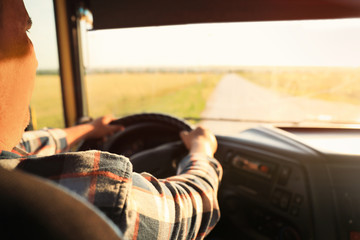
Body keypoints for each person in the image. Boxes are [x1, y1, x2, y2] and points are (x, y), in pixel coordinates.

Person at [0, 0, 223, 239]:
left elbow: (22, 144)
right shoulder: (94, 194)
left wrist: (87, 129)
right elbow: (191, 205)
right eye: (27, 30)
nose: (35, 59)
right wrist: (201, 150)